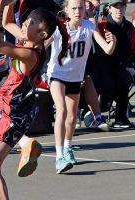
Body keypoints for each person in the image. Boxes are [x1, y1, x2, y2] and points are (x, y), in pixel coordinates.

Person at [0, 0, 66, 199]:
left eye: (30, 23)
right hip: (12, 108)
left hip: (13, 113)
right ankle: (27, 142)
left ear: (42, 35)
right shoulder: (28, 39)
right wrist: (9, 4)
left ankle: (27, 143)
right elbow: (7, 23)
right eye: (27, 20)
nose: (24, 24)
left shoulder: (30, 54)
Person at [46, 0, 116, 174]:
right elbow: (41, 46)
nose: (78, 11)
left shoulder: (89, 27)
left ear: (86, 9)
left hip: (75, 77)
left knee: (71, 116)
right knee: (61, 110)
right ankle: (59, 155)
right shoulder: (58, 28)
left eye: (81, 8)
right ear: (66, 10)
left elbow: (107, 50)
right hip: (57, 75)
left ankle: (68, 148)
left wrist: (113, 41)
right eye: (74, 8)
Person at [91, 0, 135, 128]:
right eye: (115, 7)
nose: (119, 10)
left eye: (122, 6)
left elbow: (132, 50)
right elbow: (98, 53)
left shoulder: (129, 27)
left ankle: (120, 118)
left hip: (123, 66)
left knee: (124, 75)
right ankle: (100, 113)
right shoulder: (102, 26)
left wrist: (131, 65)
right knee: (119, 78)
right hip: (103, 67)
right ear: (109, 9)